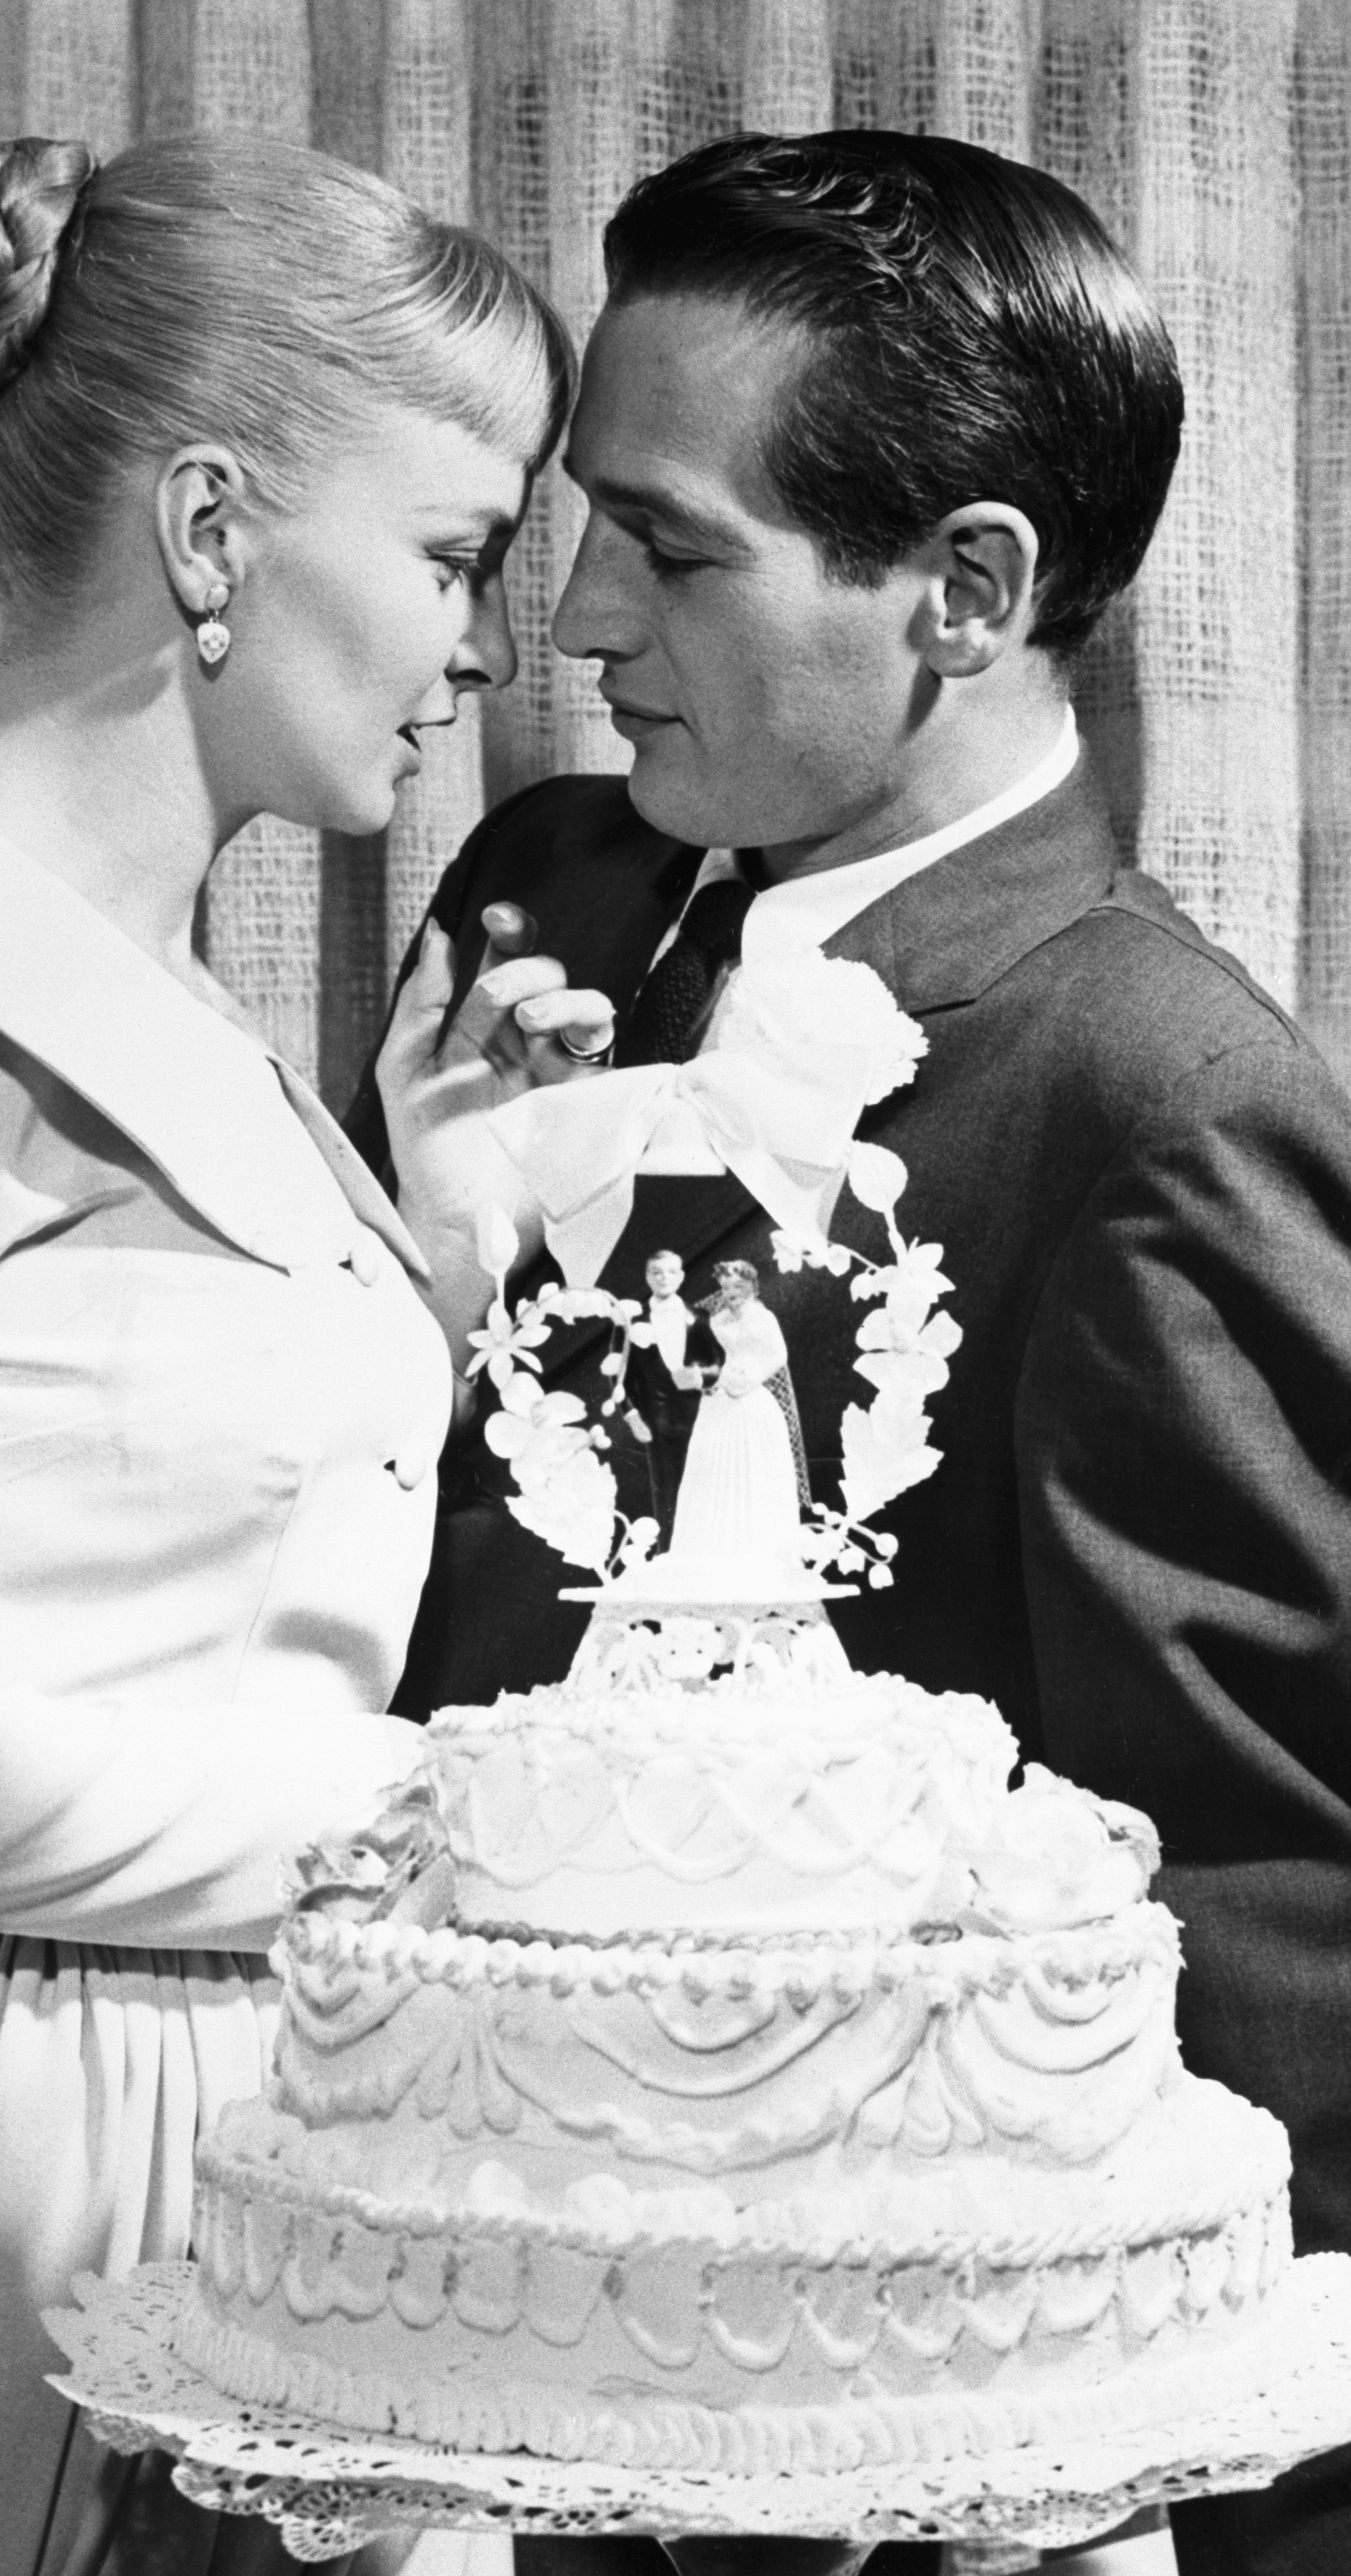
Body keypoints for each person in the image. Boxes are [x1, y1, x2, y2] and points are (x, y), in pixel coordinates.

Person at [355, 131, 1351, 2576]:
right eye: (586, 522)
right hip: (428, 2301)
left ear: (970, 591)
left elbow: (1257, 1922)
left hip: (887, 2425)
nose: (575, 623)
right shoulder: (539, 907)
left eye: (676, 552)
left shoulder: (1166, 1105)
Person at [0, 130, 598, 2576]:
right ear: (206, 530)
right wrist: (370, 1831)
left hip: (272, 2156)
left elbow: (168, 1543)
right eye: (457, 556)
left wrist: (438, 1255)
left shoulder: (188, 1015)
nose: (485, 650)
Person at [665, 1257, 804, 1573]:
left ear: (752, 1286)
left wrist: (748, 1378)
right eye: (726, 1287)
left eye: (738, 1286)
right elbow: (713, 1354)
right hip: (720, 1398)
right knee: (713, 1468)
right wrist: (713, 1378)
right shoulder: (718, 1319)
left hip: (752, 1397)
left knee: (754, 1470)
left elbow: (778, 1355)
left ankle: (759, 1555)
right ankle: (711, 1552)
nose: (731, 1292)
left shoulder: (764, 1318)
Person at [616, 1246, 704, 1536]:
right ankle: (668, 1553)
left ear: (681, 1277)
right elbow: (618, 1377)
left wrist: (701, 1377)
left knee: (705, 1489)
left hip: (703, 1417)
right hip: (657, 1420)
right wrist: (631, 1416)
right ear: (647, 1277)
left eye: (670, 1272)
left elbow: (715, 1362)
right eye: (656, 1272)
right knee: (667, 1495)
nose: (663, 1278)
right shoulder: (630, 1320)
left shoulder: (700, 1317)